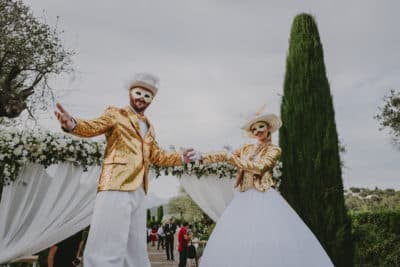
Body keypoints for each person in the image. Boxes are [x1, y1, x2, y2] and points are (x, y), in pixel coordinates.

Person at [54, 73, 195, 267]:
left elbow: (157, 156)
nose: (141, 98)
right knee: (108, 237)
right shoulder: (116, 113)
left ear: (152, 100)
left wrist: (180, 158)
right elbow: (93, 126)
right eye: (138, 93)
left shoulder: (149, 126)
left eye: (147, 96)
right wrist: (72, 124)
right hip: (115, 183)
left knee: (135, 243)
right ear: (130, 93)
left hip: (139, 188)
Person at [197, 111, 334, 267]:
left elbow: (261, 167)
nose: (257, 131)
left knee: (266, 237)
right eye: (254, 129)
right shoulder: (246, 148)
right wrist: (201, 157)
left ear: (269, 128)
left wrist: (232, 158)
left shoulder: (274, 150)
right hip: (244, 196)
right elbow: (223, 155)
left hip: (263, 194)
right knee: (239, 238)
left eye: (261, 126)